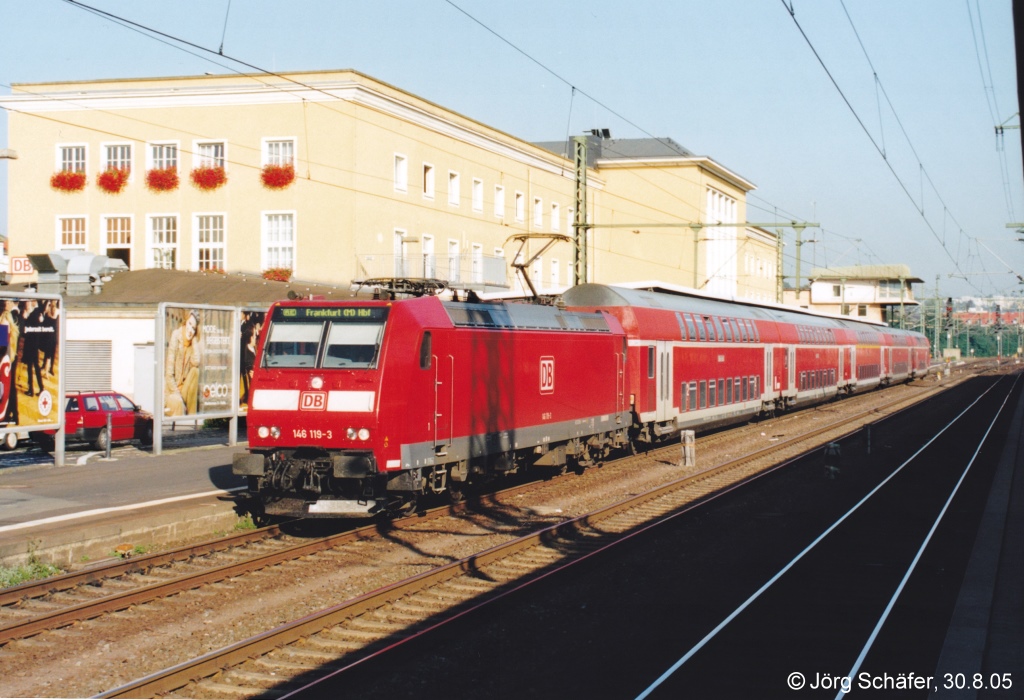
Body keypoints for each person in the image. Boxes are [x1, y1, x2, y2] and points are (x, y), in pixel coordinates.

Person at [164, 309, 201, 416]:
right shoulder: (176, 336)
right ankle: (185, 425)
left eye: (193, 328)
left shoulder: (191, 344)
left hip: (184, 390)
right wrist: (178, 396)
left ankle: (192, 416)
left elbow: (196, 362)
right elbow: (169, 374)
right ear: (185, 322)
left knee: (195, 371)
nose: (190, 330)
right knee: (179, 404)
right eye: (189, 324)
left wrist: (193, 340)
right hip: (172, 392)